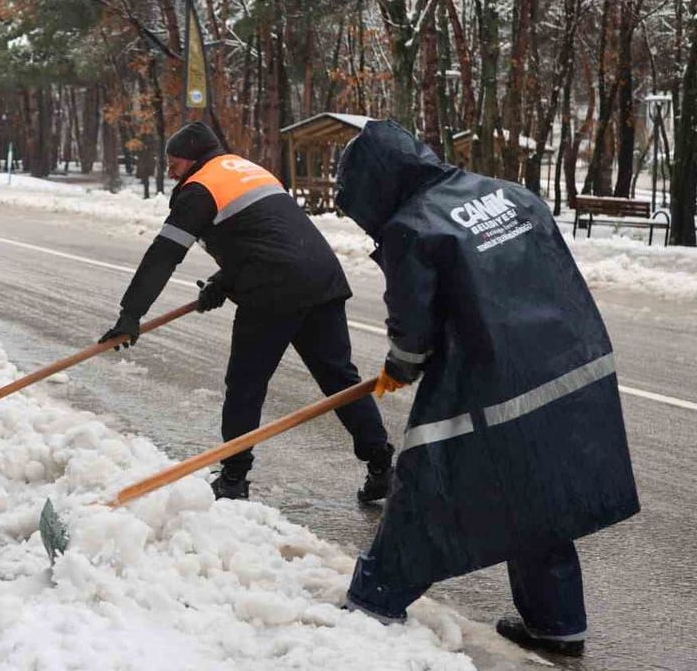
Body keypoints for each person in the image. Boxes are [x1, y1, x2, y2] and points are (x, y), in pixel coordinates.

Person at [335, 120, 640, 656]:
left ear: (375, 184)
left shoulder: (413, 226)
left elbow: (413, 325)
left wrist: (401, 367)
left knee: (430, 478)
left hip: (492, 380)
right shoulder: (511, 193)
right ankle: (557, 623)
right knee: (536, 488)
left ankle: (372, 601)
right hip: (571, 360)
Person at [99, 121, 392, 502]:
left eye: (175, 162)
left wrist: (130, 313)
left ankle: (233, 479)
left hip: (274, 292)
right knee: (341, 380)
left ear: (194, 159)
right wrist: (224, 282)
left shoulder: (199, 188)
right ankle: (381, 465)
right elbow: (265, 238)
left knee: (245, 385)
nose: (170, 171)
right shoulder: (246, 169)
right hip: (322, 280)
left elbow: (165, 254)